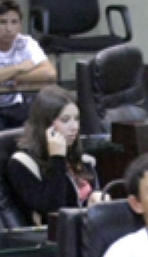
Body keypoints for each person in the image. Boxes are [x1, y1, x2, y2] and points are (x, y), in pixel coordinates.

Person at [6, 87, 102, 224]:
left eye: (76, 119)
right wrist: (57, 158)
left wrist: (97, 196)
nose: (74, 127)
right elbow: (54, 210)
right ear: (45, 124)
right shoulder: (22, 163)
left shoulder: (84, 160)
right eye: (65, 120)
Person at [0, 0, 57, 132]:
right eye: (3, 22)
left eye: (14, 22)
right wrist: (19, 67)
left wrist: (3, 75)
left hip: (15, 106)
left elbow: (50, 73)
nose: (9, 28)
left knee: (40, 128)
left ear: (20, 25)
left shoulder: (26, 42)